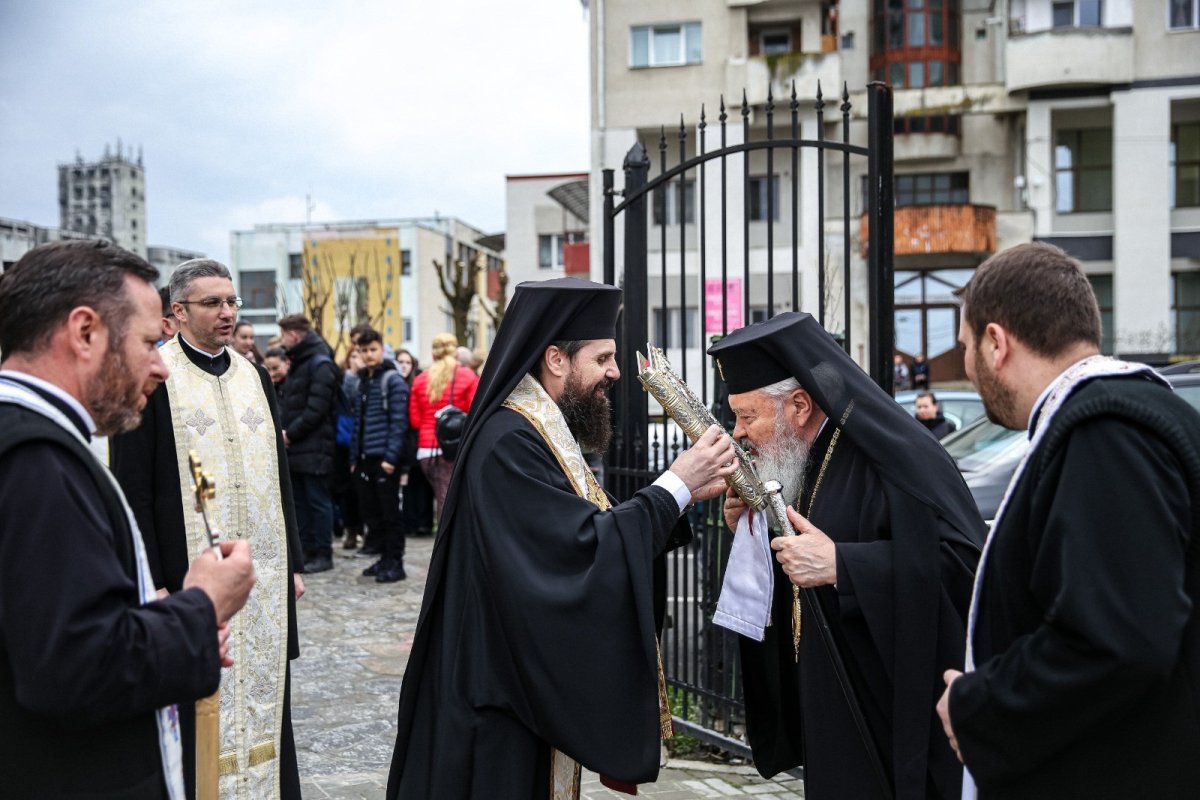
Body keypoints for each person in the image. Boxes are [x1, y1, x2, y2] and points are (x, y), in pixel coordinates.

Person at [386, 277, 738, 799]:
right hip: (493, 707)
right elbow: (576, 552)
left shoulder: (534, 430)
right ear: (556, 359)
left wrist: (683, 498)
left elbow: (584, 534)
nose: (615, 373)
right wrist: (674, 485)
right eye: (603, 359)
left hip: (509, 684)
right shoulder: (509, 440)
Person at [936, 242, 1200, 799]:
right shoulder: (1127, 418)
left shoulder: (1106, 434)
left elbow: (1116, 639)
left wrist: (979, 707)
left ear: (995, 342)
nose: (965, 366)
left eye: (965, 346)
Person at [0, 240, 257, 798]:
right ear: (85, 332)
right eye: (147, 343)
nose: (162, 366)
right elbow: (76, 668)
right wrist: (201, 607)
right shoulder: (34, 462)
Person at [709, 312, 985, 800]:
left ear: (799, 404)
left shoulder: (896, 458)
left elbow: (962, 567)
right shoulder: (808, 457)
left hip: (885, 715)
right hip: (831, 705)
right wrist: (752, 531)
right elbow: (806, 563)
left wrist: (845, 566)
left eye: (747, 416)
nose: (739, 432)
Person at [110, 258, 305, 799]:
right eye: (213, 303)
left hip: (261, 575)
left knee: (268, 697)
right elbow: (135, 488)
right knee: (195, 699)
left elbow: (277, 472)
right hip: (187, 573)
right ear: (177, 311)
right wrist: (154, 580)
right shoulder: (157, 375)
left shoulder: (255, 375)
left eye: (232, 302)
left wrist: (292, 561)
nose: (227, 313)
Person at [278, 313, 340, 573]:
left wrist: (289, 434)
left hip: (314, 447)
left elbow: (316, 409)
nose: (281, 340)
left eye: (283, 335)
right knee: (301, 502)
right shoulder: (301, 362)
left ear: (294, 335)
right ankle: (305, 551)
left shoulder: (319, 364)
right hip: (300, 448)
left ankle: (323, 553)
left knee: (317, 501)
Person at [350, 328, 410, 583]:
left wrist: (391, 458)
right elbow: (358, 422)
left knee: (390, 514)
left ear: (381, 348)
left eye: (372, 349)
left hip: (385, 458)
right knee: (373, 513)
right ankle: (384, 558)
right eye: (363, 351)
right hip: (366, 458)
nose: (368, 354)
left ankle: (396, 563)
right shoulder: (363, 379)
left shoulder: (392, 380)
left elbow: (399, 422)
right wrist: (354, 458)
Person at [409, 332, 479, 516]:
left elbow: (415, 420)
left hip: (427, 449)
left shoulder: (420, 380)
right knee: (449, 499)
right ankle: (448, 543)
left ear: (433, 354)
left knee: (443, 495)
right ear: (455, 352)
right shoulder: (468, 376)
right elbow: (475, 412)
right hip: (456, 447)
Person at [335, 347, 365, 550]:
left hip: (365, 440)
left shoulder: (369, 379)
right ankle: (351, 530)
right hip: (346, 441)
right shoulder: (345, 380)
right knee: (347, 491)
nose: (357, 360)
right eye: (353, 356)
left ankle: (362, 529)